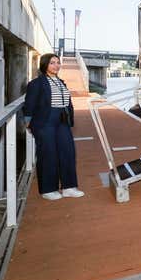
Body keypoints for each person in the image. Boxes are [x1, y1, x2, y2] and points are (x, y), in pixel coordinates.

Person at [24, 53, 84, 200]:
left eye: (57, 63)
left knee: (68, 151)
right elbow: (29, 105)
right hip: (45, 121)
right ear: (45, 65)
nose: (56, 65)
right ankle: (48, 189)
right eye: (52, 63)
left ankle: (69, 187)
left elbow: (67, 102)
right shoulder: (36, 83)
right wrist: (29, 124)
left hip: (62, 120)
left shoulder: (61, 82)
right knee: (48, 153)